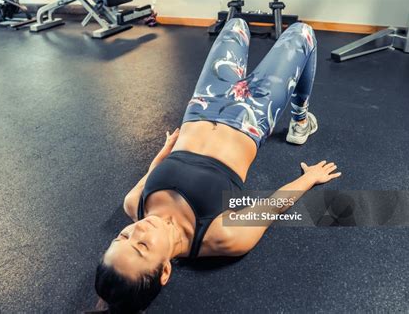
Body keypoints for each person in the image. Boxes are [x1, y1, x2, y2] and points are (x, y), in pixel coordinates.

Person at [94, 18, 341, 313]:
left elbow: (150, 173)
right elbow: (273, 205)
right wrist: (310, 178)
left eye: (123, 236)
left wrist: (166, 149)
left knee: (236, 23)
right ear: (164, 272)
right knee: (303, 34)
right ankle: (301, 120)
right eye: (142, 247)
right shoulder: (221, 236)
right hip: (253, 116)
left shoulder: (135, 204)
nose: (137, 231)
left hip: (202, 104)